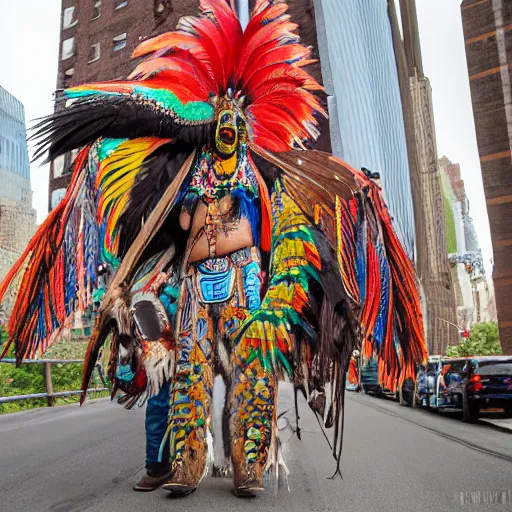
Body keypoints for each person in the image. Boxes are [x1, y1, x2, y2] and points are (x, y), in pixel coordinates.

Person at [0, 0, 427, 497]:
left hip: (246, 284)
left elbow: (289, 238)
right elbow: (169, 226)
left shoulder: (266, 176)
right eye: (220, 119)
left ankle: (249, 466)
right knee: (189, 374)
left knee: (251, 373)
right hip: (196, 287)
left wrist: (278, 302)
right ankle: (182, 464)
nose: (227, 126)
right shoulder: (185, 174)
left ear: (245, 129)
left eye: (235, 120)